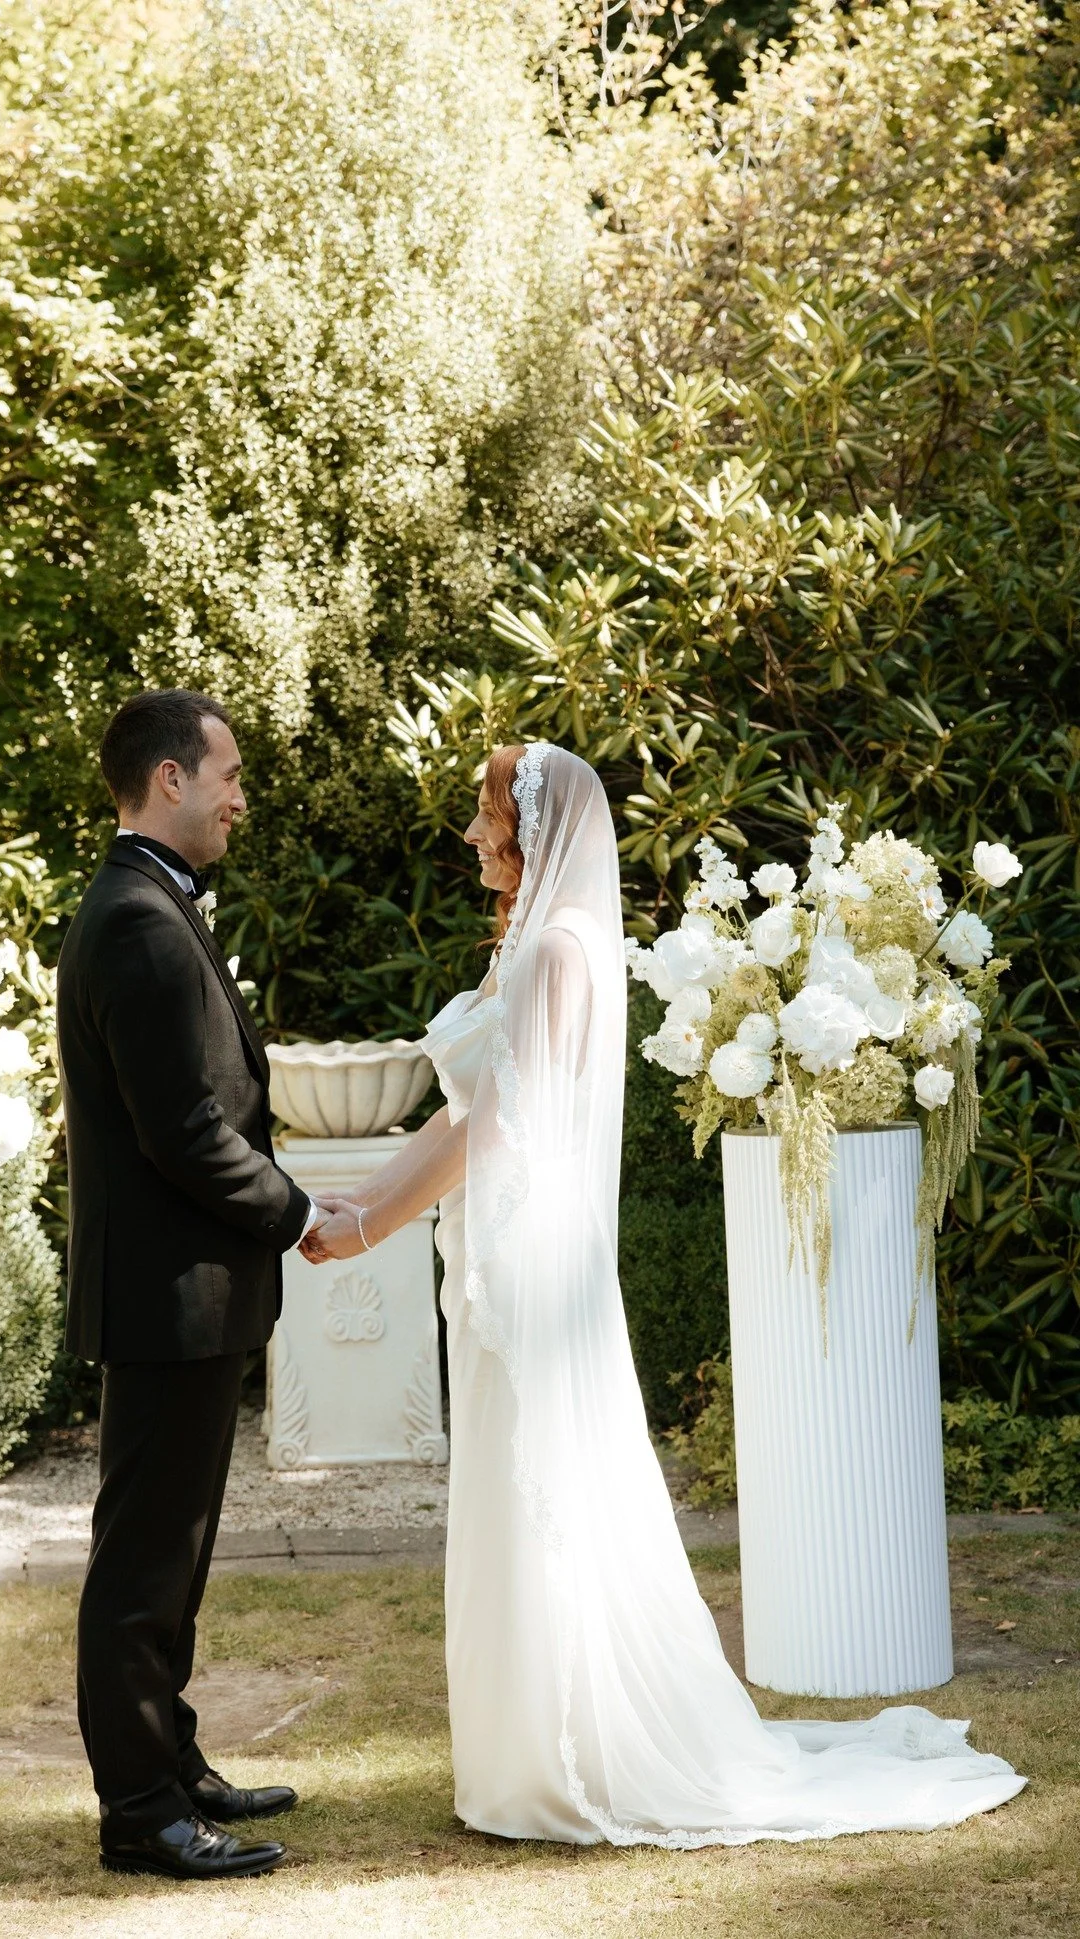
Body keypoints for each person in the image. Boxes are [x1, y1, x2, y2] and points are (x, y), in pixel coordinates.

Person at [304, 740, 1025, 1846]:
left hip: (533, 1264)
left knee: (545, 1479)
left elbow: (499, 1126)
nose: (470, 837)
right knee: (523, 1479)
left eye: (484, 816)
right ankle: (527, 1752)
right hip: (517, 1247)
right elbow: (460, 1119)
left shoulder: (554, 953)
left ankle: (566, 1756)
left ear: (530, 828)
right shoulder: (541, 946)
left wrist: (372, 1228)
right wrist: (358, 1209)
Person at [57, 688, 360, 1880]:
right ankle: (141, 1811)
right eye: (226, 772)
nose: (240, 795)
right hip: (167, 1292)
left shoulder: (146, 905)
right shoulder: (136, 918)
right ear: (169, 779)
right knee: (141, 1563)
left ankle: (171, 1764)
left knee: (171, 1556)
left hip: (189, 1291)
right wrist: (298, 1213)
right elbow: (183, 1128)